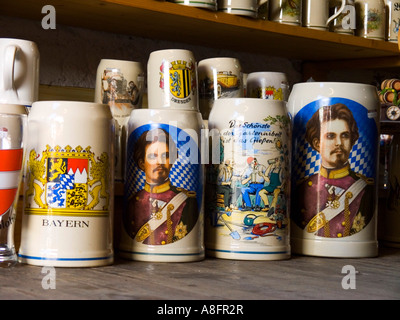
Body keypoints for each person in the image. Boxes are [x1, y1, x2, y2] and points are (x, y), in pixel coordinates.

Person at [293, 103, 375, 238]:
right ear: (317, 143)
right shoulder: (301, 188)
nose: (339, 143)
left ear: (352, 141)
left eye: (345, 136)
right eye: (331, 136)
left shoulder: (366, 190)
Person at [123, 128, 198, 245]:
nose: (160, 162)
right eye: (153, 156)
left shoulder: (186, 202)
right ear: (142, 163)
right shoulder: (132, 202)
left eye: (166, 156)